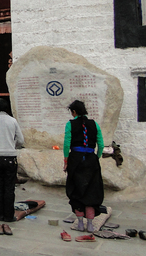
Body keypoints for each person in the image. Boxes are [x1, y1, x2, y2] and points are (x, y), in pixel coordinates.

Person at [0, 98, 24, 236]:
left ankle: (0, 215)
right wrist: (12, 145)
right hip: (11, 157)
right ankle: (9, 215)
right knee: (9, 187)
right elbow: (21, 140)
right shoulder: (13, 121)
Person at [63, 100, 104, 233]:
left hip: (75, 160)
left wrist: (66, 160)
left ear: (73, 112)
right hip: (91, 160)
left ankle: (80, 224)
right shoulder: (94, 124)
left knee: (76, 190)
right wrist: (95, 157)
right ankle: (90, 225)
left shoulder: (70, 124)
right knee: (91, 191)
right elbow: (101, 145)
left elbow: (66, 144)